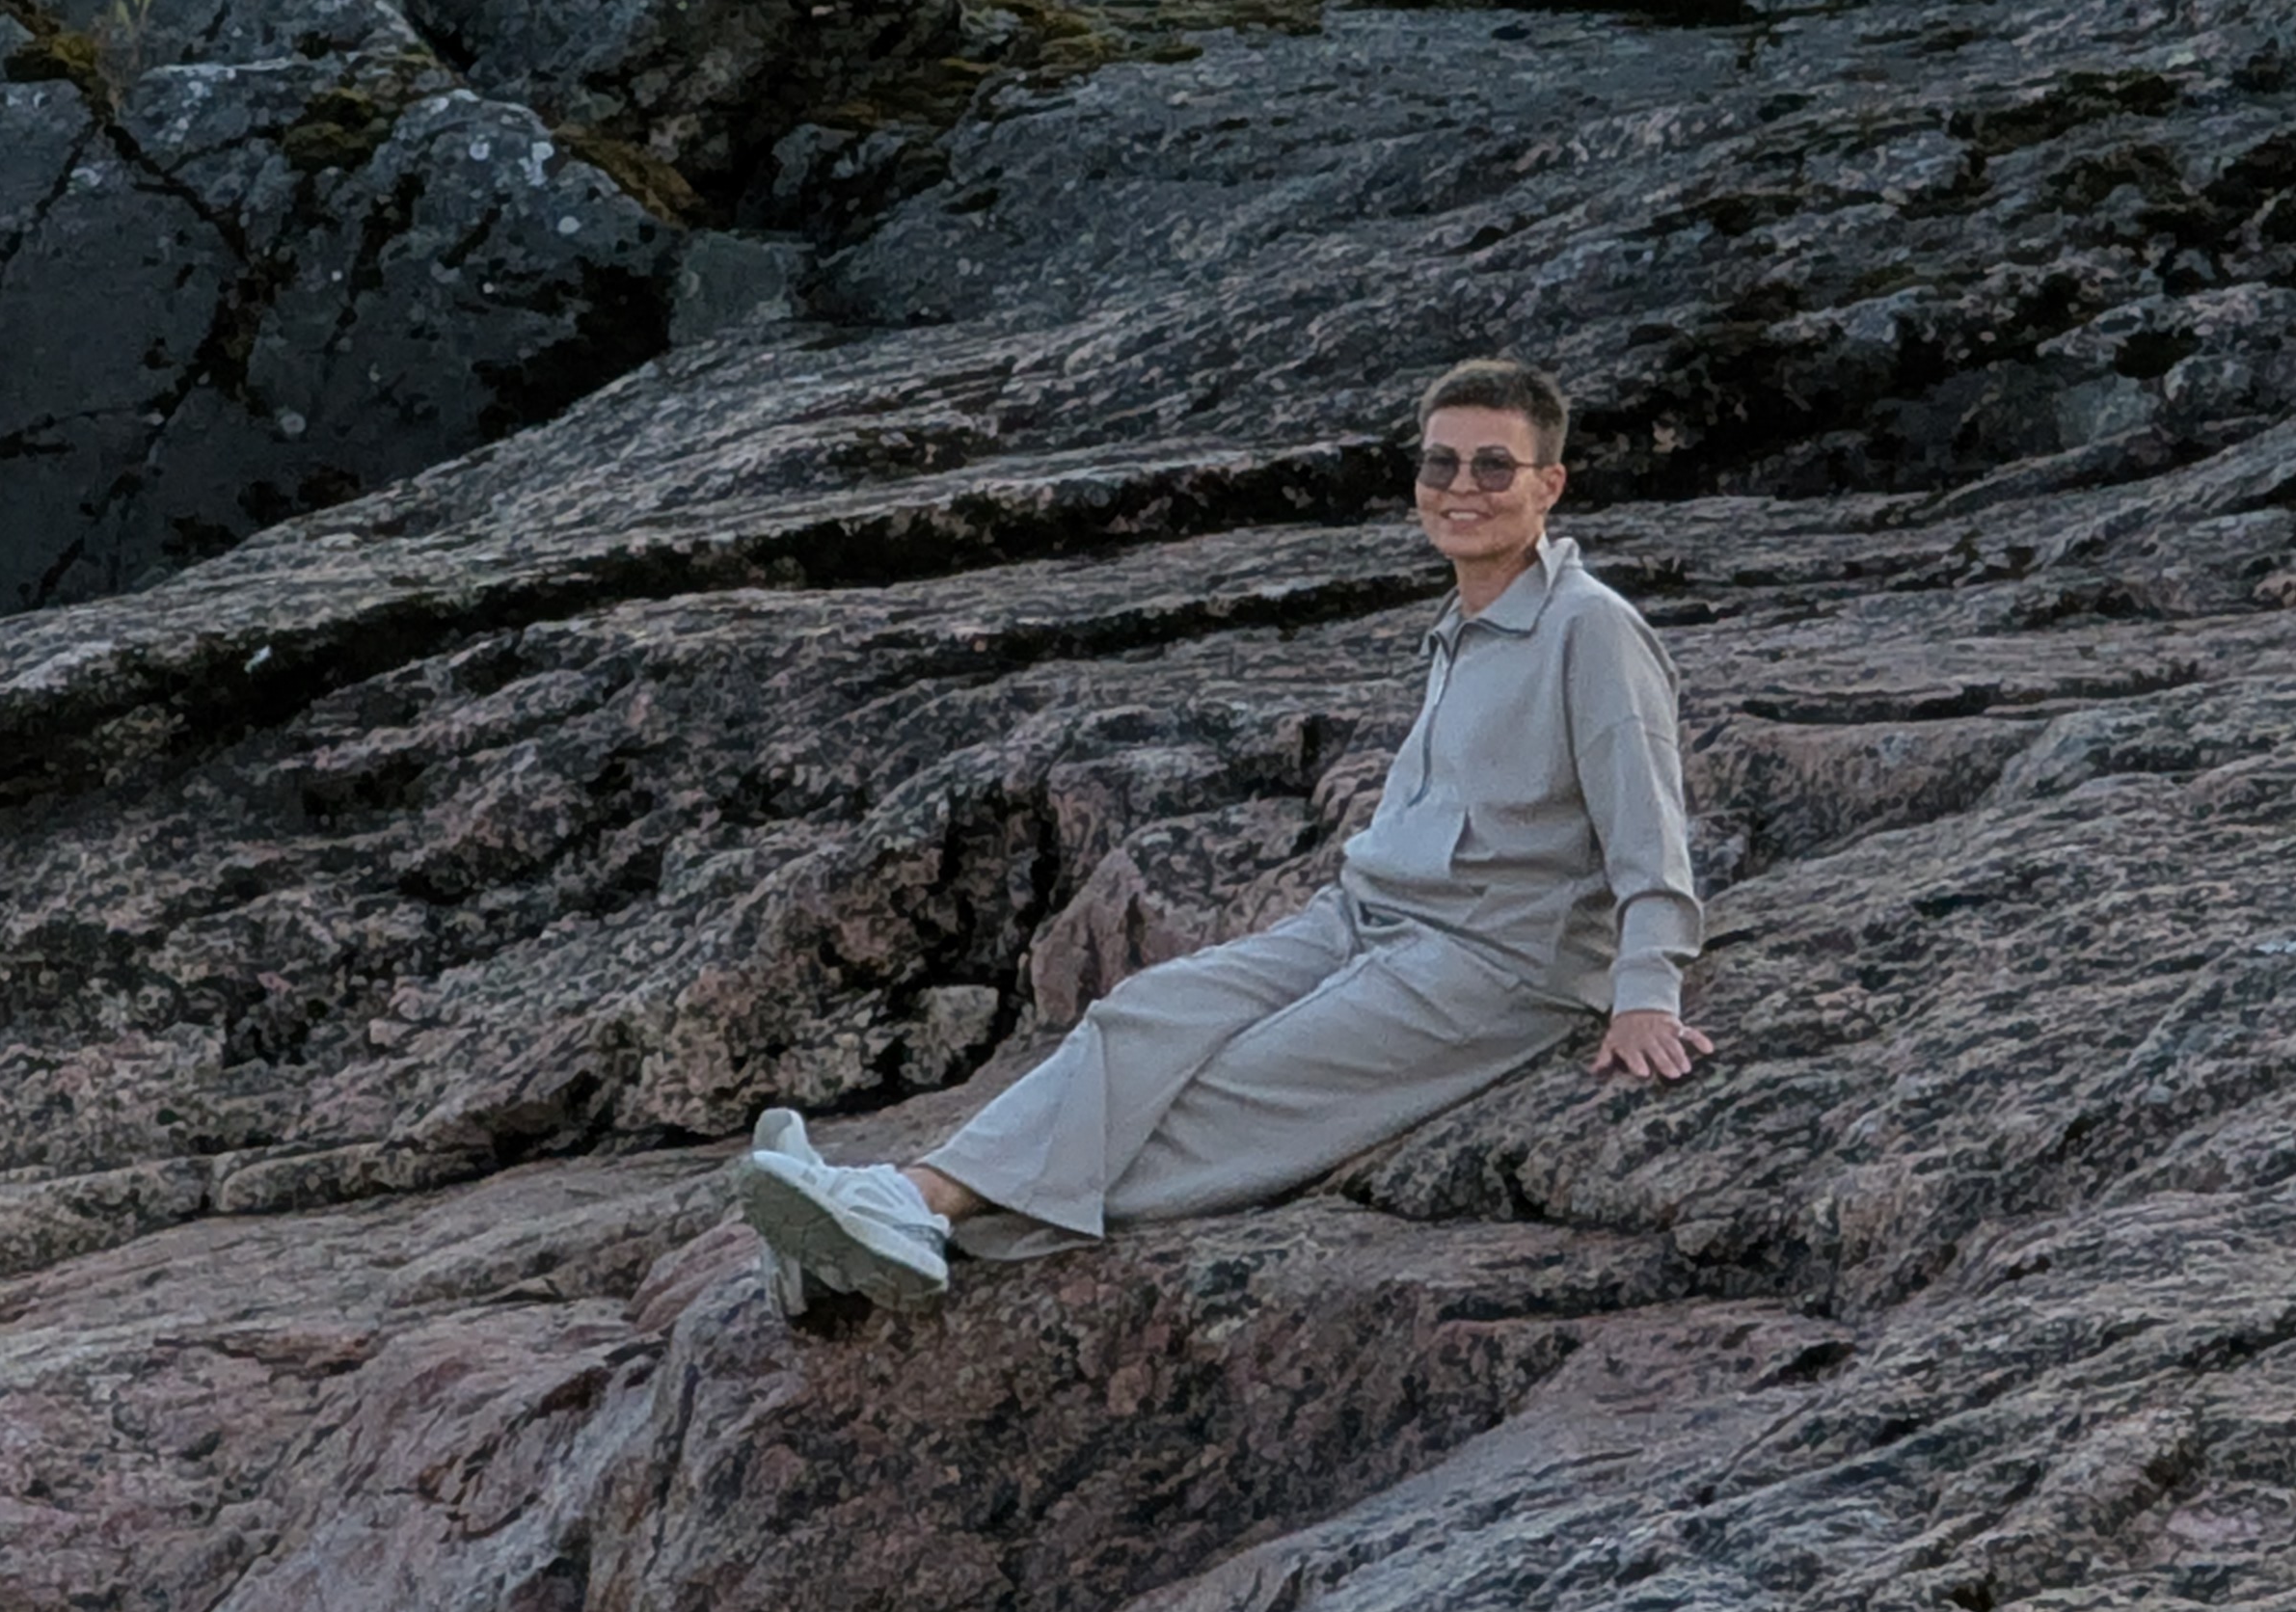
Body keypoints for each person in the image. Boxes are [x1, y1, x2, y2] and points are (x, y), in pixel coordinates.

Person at [732, 353, 1710, 1320]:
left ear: (1550, 485)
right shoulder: (1463, 623)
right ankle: (885, 1219)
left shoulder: (1591, 630)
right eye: (1439, 464)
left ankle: (909, 1216)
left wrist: (1645, 996)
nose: (1462, 488)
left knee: (1241, 1087)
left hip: (1497, 964)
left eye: (1493, 466)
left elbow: (1648, 826)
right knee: (1146, 1017)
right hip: (1367, 918)